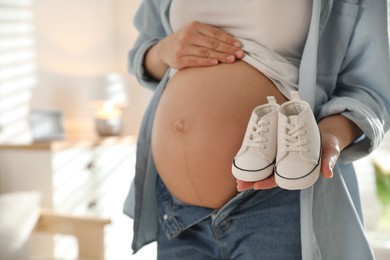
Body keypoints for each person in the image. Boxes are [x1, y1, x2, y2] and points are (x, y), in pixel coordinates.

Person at [123, 0, 390, 259]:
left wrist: (327, 137)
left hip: (279, 200)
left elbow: (372, 91)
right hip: (178, 211)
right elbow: (143, 53)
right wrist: (161, 52)